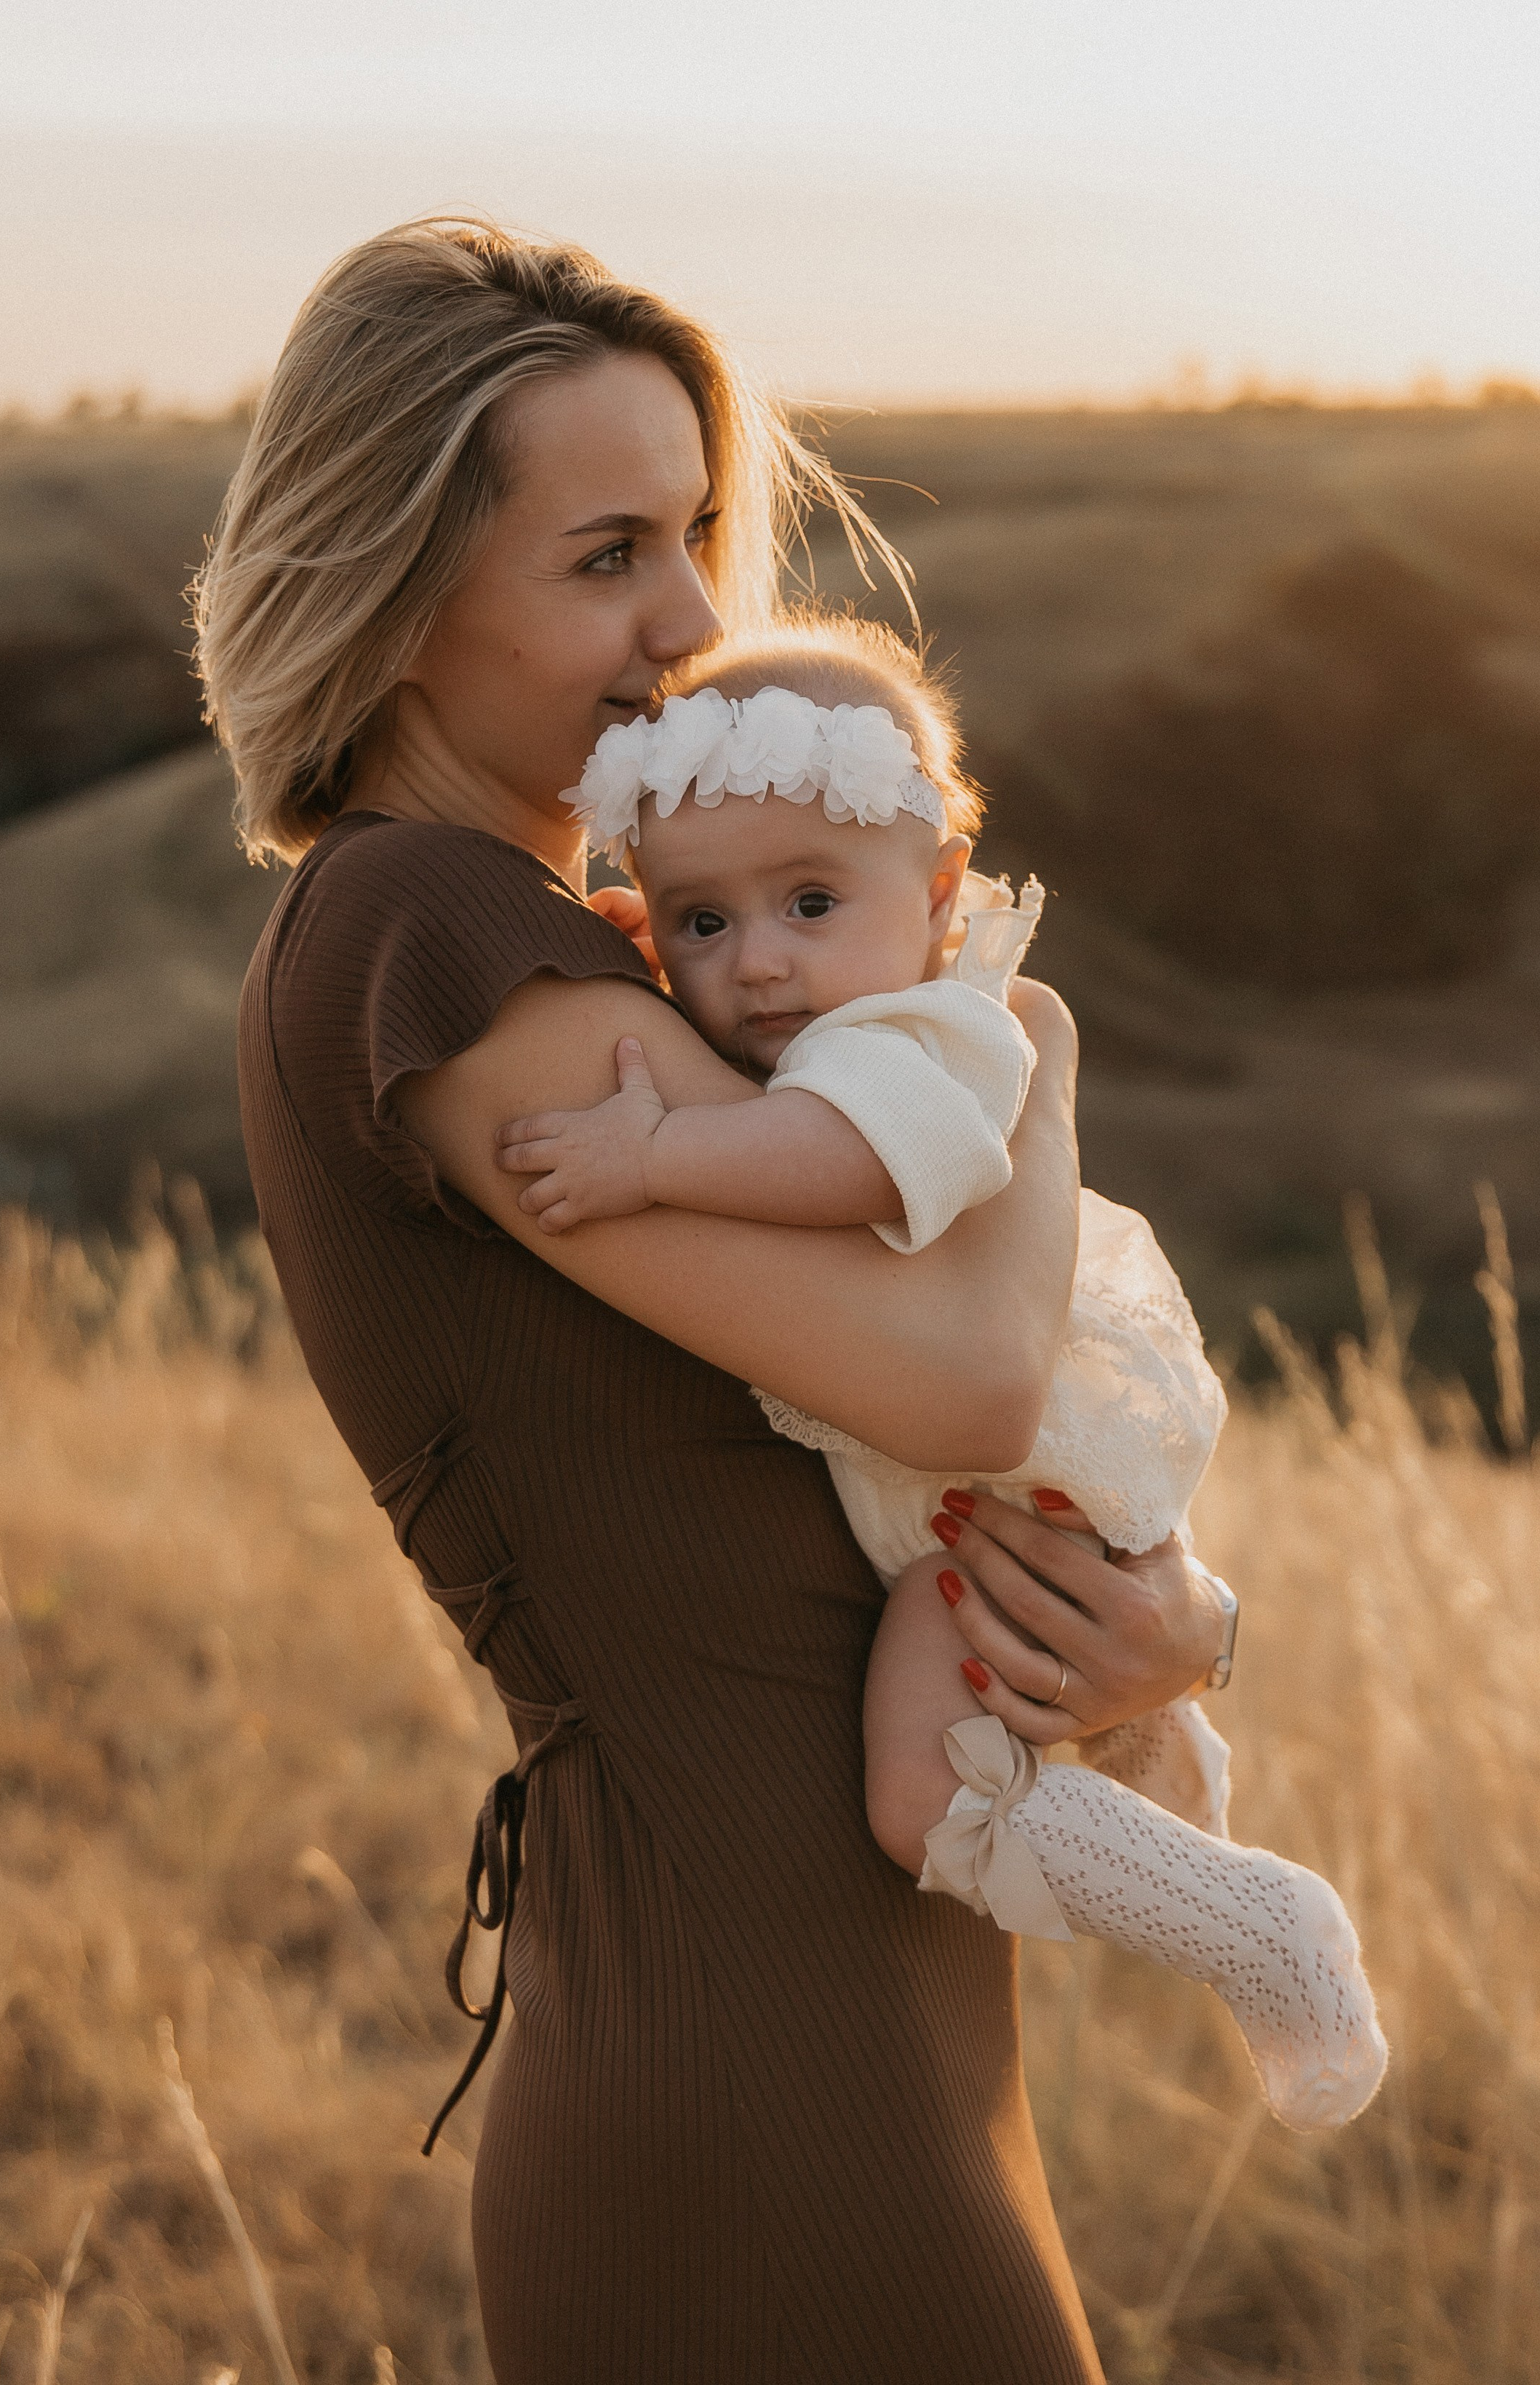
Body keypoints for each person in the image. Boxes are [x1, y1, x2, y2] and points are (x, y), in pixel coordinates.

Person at [199, 215, 1229, 2385]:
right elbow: (961, 1367)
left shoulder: (591, 947)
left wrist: (1180, 1623)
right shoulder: (438, 944)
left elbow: (904, 1460)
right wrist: (1019, 1050)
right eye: (605, 557)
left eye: (693, 534)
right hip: (751, 2043)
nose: (689, 628)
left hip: (830, 1990)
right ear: (393, 586)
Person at [503, 617, 1388, 2132]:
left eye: (806, 901)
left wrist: (649, 1149)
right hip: (994, 1475)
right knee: (1029, 1722)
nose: (759, 959)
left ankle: (1259, 1920)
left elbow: (845, 1157)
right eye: (701, 923)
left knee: (919, 1796)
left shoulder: (935, 1031)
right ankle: (1176, 1801)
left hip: (999, 1469)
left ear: (937, 897)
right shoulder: (851, 1011)